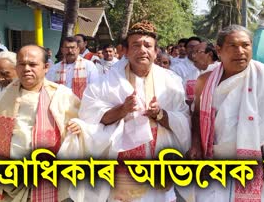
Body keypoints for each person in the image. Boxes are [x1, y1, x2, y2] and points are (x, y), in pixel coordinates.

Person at [68, 20, 191, 202]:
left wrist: (161, 115)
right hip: (123, 164)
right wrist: (122, 110)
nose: (142, 50)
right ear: (124, 50)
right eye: (136, 45)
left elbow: (184, 119)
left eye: (148, 45)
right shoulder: (105, 83)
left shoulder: (171, 81)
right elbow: (90, 117)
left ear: (155, 51)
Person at [190, 25, 264, 202]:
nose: (240, 51)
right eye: (233, 46)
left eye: (245, 45)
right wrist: (196, 145)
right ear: (219, 50)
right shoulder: (204, 81)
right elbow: (197, 115)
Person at [0, 45, 82, 201]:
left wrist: (79, 126)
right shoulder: (5, 94)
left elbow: (83, 124)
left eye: (32, 64)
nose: (26, 69)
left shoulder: (61, 94)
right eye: (21, 64)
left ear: (46, 67)